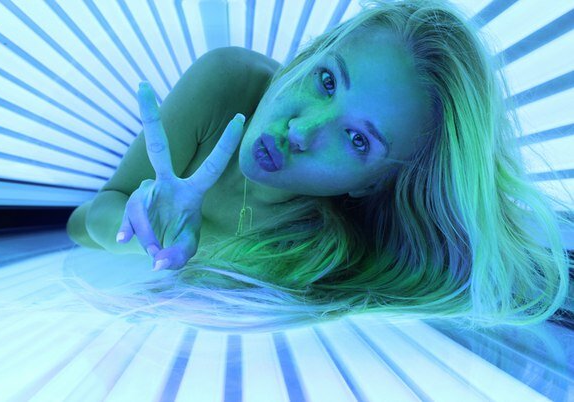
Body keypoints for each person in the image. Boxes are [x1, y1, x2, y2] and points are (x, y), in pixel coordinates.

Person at [65, 0, 573, 332]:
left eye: (356, 139)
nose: (301, 131)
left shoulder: (331, 256)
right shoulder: (228, 85)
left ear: (371, 184)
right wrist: (140, 228)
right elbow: (81, 223)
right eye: (327, 81)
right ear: (313, 53)